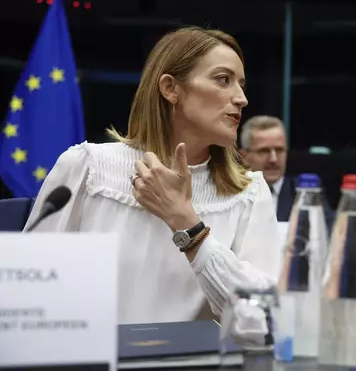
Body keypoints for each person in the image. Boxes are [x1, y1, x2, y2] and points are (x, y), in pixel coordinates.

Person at [24, 27, 281, 325]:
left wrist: (187, 225)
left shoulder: (249, 191)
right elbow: (29, 293)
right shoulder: (87, 167)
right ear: (170, 88)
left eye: (241, 84)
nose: (241, 98)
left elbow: (260, 319)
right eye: (223, 80)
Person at [240, 115, 335, 225]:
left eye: (279, 150)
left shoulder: (306, 194)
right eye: (264, 151)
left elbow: (326, 232)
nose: (273, 159)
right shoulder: (229, 194)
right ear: (243, 156)